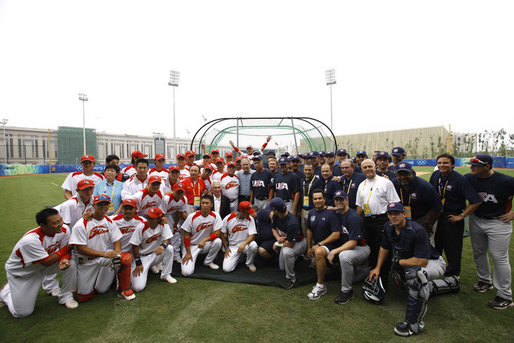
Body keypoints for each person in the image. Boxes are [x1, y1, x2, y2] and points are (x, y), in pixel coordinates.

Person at [368, 202, 446, 337]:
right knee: (412, 277)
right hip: (413, 262)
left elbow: (423, 261)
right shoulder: (388, 227)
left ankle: (414, 324)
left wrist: (400, 262)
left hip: (433, 263)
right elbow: (384, 248)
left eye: (397, 213)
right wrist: (377, 268)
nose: (393, 217)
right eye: (390, 214)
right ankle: (450, 284)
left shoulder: (417, 230)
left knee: (415, 276)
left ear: (404, 214)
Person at [0, 208, 78, 318]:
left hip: (41, 267)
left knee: (71, 264)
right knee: (22, 313)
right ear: (43, 225)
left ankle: (66, 296)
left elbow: (65, 251)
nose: (61, 224)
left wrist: (64, 259)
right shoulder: (30, 240)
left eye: (61, 220)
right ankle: (5, 292)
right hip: (22, 274)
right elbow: (47, 261)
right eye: (56, 222)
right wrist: (68, 247)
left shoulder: (64, 229)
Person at [464, 154, 514, 309]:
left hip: (498, 221)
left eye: (476, 164)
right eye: (471, 164)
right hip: (476, 219)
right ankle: (485, 280)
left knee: (499, 258)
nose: (471, 167)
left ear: (487, 166)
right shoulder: (469, 178)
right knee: (479, 252)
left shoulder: (505, 181)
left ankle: (505, 295)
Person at [69, 194, 135, 302]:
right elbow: (80, 249)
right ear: (93, 205)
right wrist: (104, 254)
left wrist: (117, 253)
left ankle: (123, 288)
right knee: (84, 297)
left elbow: (116, 240)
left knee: (123, 259)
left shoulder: (109, 221)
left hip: (103, 258)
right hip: (86, 262)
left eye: (106, 204)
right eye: (100, 204)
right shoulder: (82, 224)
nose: (103, 207)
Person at [429, 153, 481, 277]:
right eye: (440, 163)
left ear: (452, 165)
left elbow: (476, 200)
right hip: (437, 215)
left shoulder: (460, 179)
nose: (442, 165)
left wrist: (462, 216)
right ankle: (435, 270)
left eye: (445, 163)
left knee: (453, 248)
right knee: (436, 245)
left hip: (451, 217)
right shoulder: (436, 175)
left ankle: (453, 275)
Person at [355, 159, 399, 269]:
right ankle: (373, 269)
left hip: (383, 219)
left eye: (370, 166)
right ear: (361, 169)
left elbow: (393, 203)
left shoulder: (385, 182)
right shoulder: (362, 185)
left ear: (375, 167)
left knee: (383, 246)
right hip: (368, 220)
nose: (367, 169)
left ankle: (384, 271)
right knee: (371, 246)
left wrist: (392, 221)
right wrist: (356, 220)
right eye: (364, 167)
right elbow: (360, 205)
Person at [328, 191, 370, 305]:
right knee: (351, 277)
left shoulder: (353, 216)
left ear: (347, 200)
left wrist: (334, 252)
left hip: (360, 248)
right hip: (347, 248)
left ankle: (347, 291)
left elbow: (353, 243)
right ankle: (368, 272)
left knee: (344, 257)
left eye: (341, 199)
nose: (339, 202)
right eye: (337, 200)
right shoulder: (336, 214)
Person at [130, 207, 177, 291]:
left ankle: (166, 275)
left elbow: (167, 239)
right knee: (138, 288)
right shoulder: (141, 227)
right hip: (142, 257)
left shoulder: (163, 224)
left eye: (152, 218)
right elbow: (134, 246)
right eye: (148, 217)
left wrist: (163, 246)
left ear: (159, 218)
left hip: (155, 254)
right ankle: (148, 267)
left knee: (169, 248)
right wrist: (138, 262)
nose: (149, 220)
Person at [305, 190, 341, 300]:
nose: (317, 201)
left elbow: (336, 235)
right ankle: (333, 269)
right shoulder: (311, 213)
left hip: (333, 245)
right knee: (317, 253)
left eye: (320, 198)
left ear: (324, 199)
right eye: (315, 199)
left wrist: (319, 245)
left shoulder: (331, 213)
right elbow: (309, 230)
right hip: (318, 245)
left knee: (319, 251)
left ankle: (321, 286)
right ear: (312, 200)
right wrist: (309, 247)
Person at [392, 162, 442, 236]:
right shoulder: (393, 183)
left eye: (406, 174)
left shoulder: (424, 187)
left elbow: (437, 208)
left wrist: (428, 225)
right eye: (399, 174)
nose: (403, 177)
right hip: (402, 219)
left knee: (425, 243)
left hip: (422, 218)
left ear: (412, 173)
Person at [269, 197, 307, 289]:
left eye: (272, 209)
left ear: (276, 211)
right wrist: (278, 238)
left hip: (300, 243)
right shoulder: (276, 216)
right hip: (288, 241)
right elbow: (273, 229)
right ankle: (296, 258)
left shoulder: (292, 222)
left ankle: (291, 278)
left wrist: (277, 244)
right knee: (282, 267)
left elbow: (291, 244)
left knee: (287, 252)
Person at [181, 195, 223, 276]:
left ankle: (208, 262)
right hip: (191, 245)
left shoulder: (215, 215)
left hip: (205, 244)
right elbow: (186, 235)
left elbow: (217, 233)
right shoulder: (192, 216)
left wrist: (205, 240)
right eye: (203, 203)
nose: (204, 205)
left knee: (218, 241)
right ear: (200, 204)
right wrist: (188, 252)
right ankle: (190, 257)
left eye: (207, 203)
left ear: (211, 204)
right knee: (186, 273)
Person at [221, 201, 258, 273]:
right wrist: (226, 248)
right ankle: (240, 257)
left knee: (253, 245)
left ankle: (249, 263)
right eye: (247, 212)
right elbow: (222, 233)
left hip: (246, 245)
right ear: (241, 211)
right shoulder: (228, 218)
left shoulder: (250, 219)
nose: (249, 213)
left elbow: (252, 235)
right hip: (233, 246)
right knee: (226, 269)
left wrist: (244, 244)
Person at [164, 182, 188, 262]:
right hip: (160, 215)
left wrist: (175, 225)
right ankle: (161, 259)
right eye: (177, 192)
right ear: (173, 190)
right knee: (164, 234)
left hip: (169, 215)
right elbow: (160, 213)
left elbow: (180, 212)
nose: (179, 194)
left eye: (181, 192)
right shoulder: (167, 198)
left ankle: (176, 256)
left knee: (175, 232)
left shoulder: (184, 199)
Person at [300, 163, 324, 236]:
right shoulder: (302, 180)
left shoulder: (317, 181)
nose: (307, 172)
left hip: (313, 209)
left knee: (314, 231)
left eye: (309, 170)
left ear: (313, 170)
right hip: (303, 209)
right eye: (306, 170)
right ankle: (307, 246)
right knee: (304, 231)